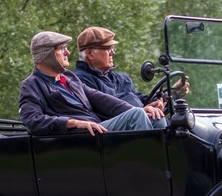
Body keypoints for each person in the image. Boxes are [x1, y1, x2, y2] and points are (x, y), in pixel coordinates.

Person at [19, 31, 165, 136]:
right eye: (62, 48)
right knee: (136, 115)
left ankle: (165, 169)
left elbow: (101, 99)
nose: (67, 52)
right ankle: (150, 173)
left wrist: (140, 108)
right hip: (78, 137)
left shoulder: (68, 78)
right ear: (47, 54)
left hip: (96, 130)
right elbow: (33, 121)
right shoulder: (32, 85)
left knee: (155, 116)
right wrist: (73, 123)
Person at [74, 27, 189, 129]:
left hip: (135, 121)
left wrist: (170, 94)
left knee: (158, 117)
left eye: (113, 48)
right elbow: (106, 108)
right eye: (108, 48)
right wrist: (141, 110)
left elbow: (144, 100)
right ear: (89, 54)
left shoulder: (121, 79)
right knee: (141, 115)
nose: (113, 53)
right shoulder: (80, 81)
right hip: (107, 136)